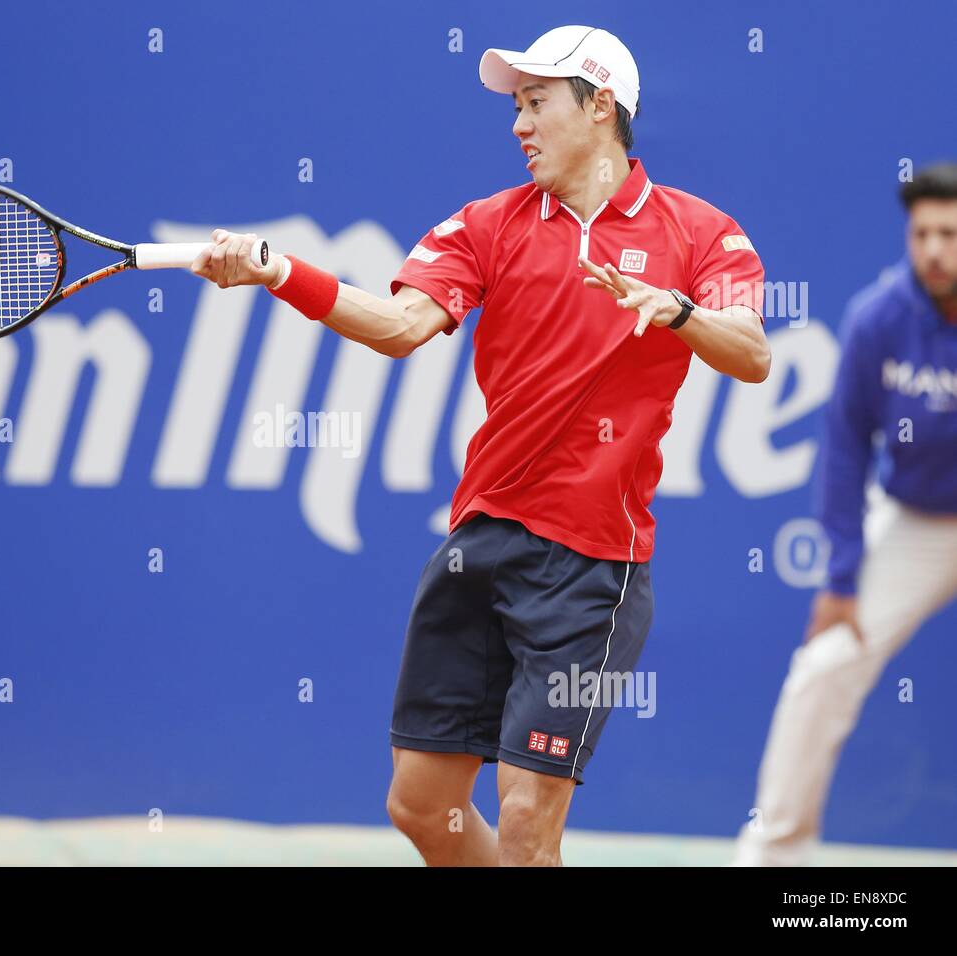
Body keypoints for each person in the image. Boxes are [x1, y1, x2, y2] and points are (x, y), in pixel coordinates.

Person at [191, 25, 769, 866]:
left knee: (530, 823)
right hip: (480, 545)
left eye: (536, 103)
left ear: (600, 105)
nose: (518, 125)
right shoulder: (486, 226)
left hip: (592, 569)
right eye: (516, 107)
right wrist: (280, 271)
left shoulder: (702, 232)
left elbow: (752, 353)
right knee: (423, 807)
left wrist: (676, 309)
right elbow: (397, 326)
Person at [734, 162, 957, 866]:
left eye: (949, 234)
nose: (933, 250)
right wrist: (841, 575)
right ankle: (774, 857)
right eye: (922, 232)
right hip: (918, 521)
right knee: (823, 666)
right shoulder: (880, 316)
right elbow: (842, 448)